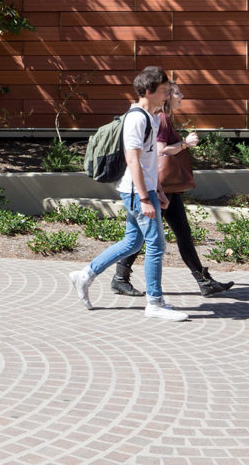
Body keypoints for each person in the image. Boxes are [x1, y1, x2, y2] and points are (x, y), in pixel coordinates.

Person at [68, 66, 193, 322]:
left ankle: (85, 275)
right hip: (137, 193)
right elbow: (133, 161)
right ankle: (155, 303)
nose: (167, 96)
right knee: (156, 245)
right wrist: (146, 198)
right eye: (163, 91)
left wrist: (158, 189)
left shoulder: (153, 116)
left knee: (133, 242)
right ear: (148, 91)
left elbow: (149, 161)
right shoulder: (136, 119)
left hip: (143, 190)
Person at [111, 79, 234, 297]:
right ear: (166, 96)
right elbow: (160, 151)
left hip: (164, 187)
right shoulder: (161, 119)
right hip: (161, 187)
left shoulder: (162, 118)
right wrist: (185, 144)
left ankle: (202, 280)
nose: (181, 96)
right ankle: (120, 278)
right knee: (147, 237)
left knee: (175, 234)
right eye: (177, 93)